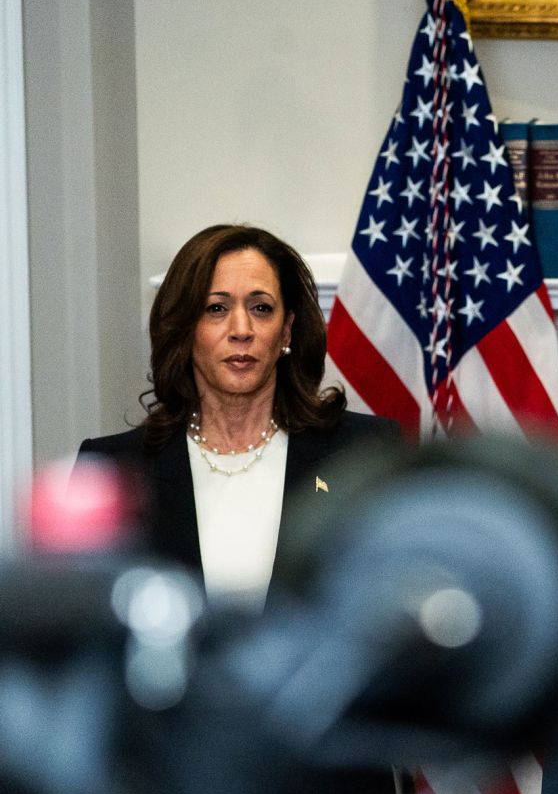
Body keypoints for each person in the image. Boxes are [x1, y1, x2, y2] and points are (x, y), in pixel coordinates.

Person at [78, 224, 400, 609]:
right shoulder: (113, 470)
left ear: (286, 330)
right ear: (185, 328)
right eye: (217, 308)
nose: (241, 330)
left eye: (261, 308)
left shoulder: (365, 453)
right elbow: (84, 624)